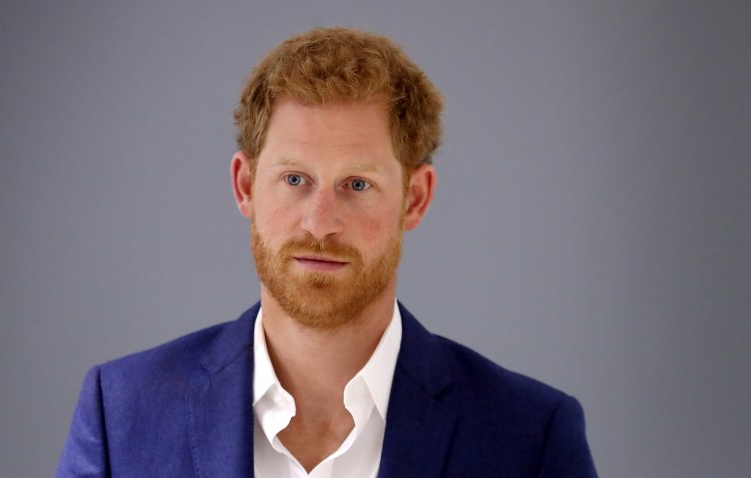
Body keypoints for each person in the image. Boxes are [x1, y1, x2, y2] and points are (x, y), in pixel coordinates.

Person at [56, 27, 598, 477]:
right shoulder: (123, 415)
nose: (321, 223)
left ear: (416, 198)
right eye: (295, 179)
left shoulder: (531, 439)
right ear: (245, 186)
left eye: (357, 185)